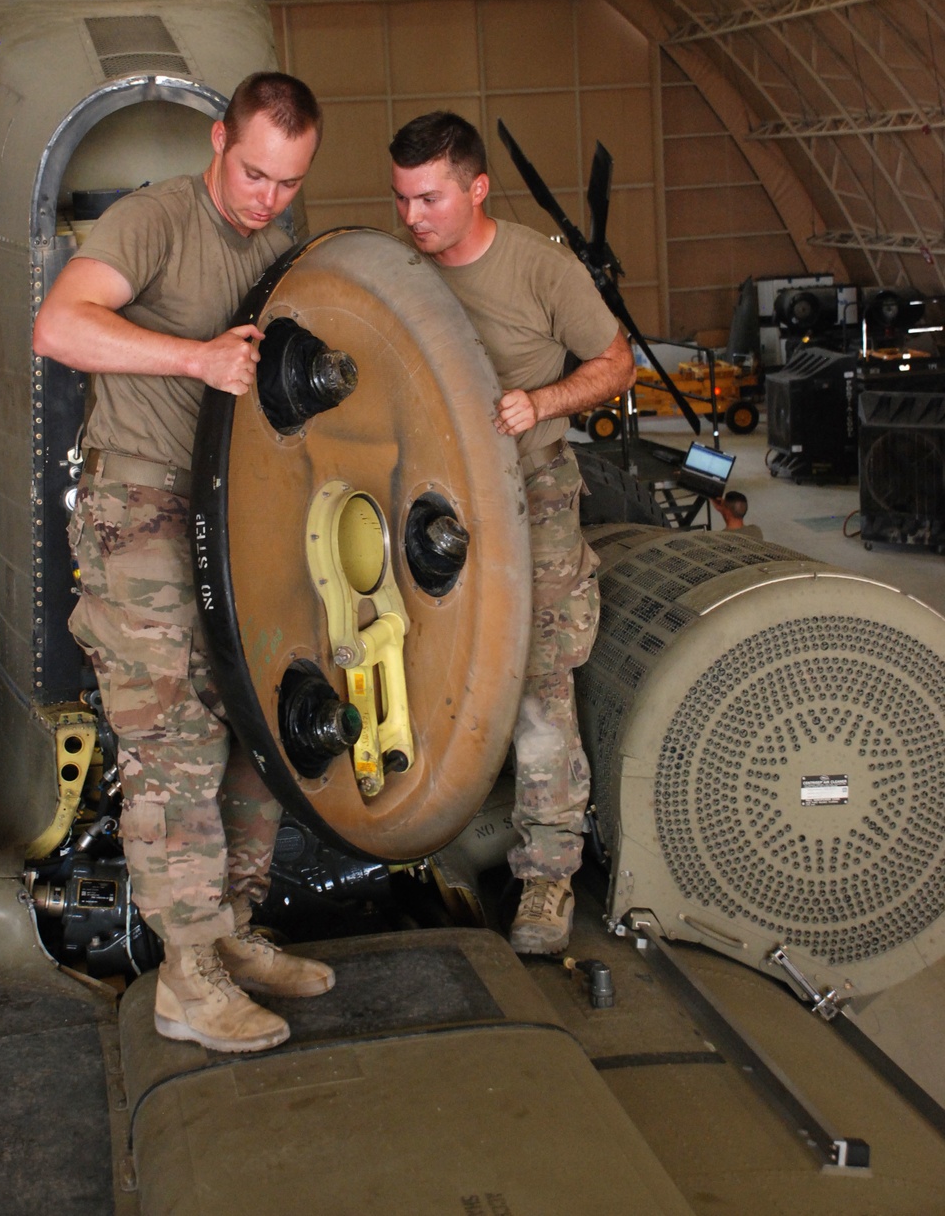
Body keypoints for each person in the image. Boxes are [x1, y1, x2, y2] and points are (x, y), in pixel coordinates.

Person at [33, 72, 336, 1053]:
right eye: (254, 173)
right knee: (172, 748)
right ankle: (186, 977)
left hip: (235, 517)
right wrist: (194, 358)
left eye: (287, 184)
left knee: (256, 727)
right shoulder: (151, 221)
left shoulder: (279, 244)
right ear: (218, 141)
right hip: (138, 513)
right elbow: (61, 325)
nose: (266, 200)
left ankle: (231, 927)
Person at [389, 111, 637, 955]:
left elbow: (616, 362)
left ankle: (545, 878)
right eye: (402, 200)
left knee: (539, 689)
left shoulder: (539, 268)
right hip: (425, 505)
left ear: (476, 188)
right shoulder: (397, 274)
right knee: (419, 667)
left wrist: (543, 402)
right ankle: (417, 840)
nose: (413, 218)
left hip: (530, 499)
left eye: (429, 198)